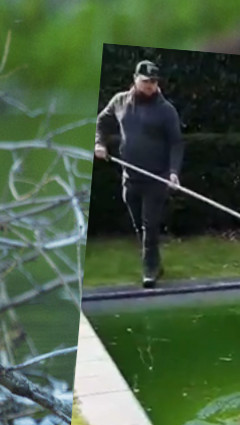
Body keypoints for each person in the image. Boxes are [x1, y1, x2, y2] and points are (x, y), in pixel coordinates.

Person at [94, 60, 184, 289]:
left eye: (154, 82)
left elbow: (176, 144)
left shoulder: (166, 110)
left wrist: (173, 173)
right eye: (146, 82)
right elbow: (102, 122)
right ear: (135, 79)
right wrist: (100, 144)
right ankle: (155, 262)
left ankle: (149, 271)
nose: (150, 86)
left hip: (156, 179)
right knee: (139, 228)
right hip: (130, 178)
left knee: (150, 226)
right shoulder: (120, 101)